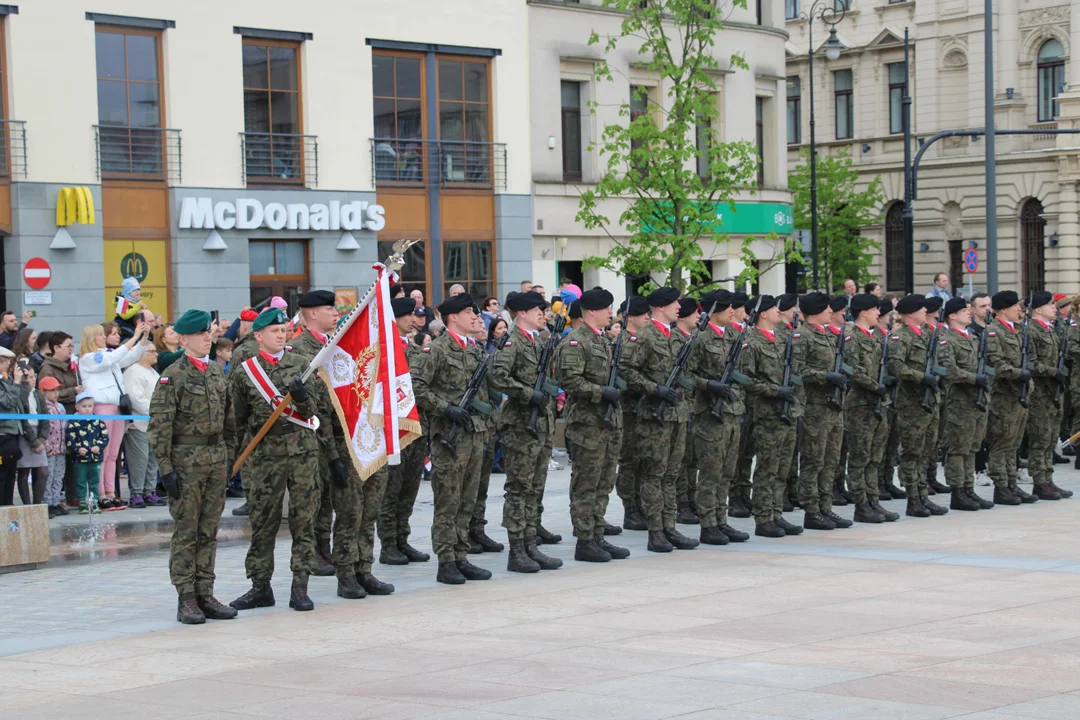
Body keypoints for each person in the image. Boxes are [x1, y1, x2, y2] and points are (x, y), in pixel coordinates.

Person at [229, 308, 335, 612]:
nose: (280, 334)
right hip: (265, 456)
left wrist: (301, 397)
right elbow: (237, 420)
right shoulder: (245, 371)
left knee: (304, 521)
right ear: (258, 336)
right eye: (273, 331)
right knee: (263, 522)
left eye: (283, 330)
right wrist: (231, 460)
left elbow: (312, 410)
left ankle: (300, 587)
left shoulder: (302, 365)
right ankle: (260, 586)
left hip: (302, 453)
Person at [149, 308, 238, 625]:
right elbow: (160, 426)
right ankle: (186, 596)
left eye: (207, 332)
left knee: (209, 531)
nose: (205, 338)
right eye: (199, 334)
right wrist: (165, 469)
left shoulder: (216, 372)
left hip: (214, 461)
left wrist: (229, 459)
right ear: (183, 339)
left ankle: (205, 592)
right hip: (186, 463)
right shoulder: (173, 375)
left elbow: (229, 421)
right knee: (187, 531)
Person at [413, 293, 496, 584]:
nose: (476, 316)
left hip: (473, 434)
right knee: (448, 500)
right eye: (469, 313)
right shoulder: (436, 349)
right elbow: (417, 387)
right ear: (453, 318)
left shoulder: (473, 350)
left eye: (476, 312)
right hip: (449, 438)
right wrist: (446, 408)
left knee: (467, 500)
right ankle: (446, 560)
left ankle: (461, 554)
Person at [489, 291, 567, 573]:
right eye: (537, 309)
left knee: (535, 488)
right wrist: (527, 393)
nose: (543, 314)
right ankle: (517, 550)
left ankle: (531, 543)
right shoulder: (512, 341)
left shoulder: (536, 342)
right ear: (521, 313)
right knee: (519, 489)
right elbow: (497, 376)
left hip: (540, 425)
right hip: (521, 426)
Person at [620, 286, 698, 553]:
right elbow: (626, 370)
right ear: (661, 307)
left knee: (671, 474)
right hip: (654, 416)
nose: (680, 307)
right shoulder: (643, 337)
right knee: (654, 474)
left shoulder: (676, 336)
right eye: (675, 303)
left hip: (676, 415)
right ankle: (656, 532)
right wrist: (655, 388)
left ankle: (669, 526)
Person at [554, 288, 626, 562]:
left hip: (608, 423)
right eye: (607, 308)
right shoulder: (576, 342)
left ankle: (597, 534)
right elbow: (570, 380)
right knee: (587, 483)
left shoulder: (603, 341)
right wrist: (600, 392)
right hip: (588, 424)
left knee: (604, 482)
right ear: (592, 311)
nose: (611, 312)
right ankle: (584, 540)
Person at [684, 289, 750, 546]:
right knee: (711, 472)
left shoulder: (734, 335)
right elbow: (687, 375)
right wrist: (710, 385)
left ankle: (721, 520)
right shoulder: (699, 338)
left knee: (727, 471)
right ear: (713, 311)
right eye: (726, 307)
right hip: (711, 414)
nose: (732, 311)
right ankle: (708, 524)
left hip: (733, 412)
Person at [737, 295, 804, 538]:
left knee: (782, 468)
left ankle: (776, 513)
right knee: (767, 467)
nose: (779, 312)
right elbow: (747, 379)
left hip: (788, 412)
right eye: (774, 309)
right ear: (763, 314)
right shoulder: (751, 342)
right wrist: (775, 391)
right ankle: (764, 518)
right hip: (767, 414)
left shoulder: (781, 340)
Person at [378, 296, 431, 567]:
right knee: (392, 488)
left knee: (410, 487)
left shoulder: (411, 348)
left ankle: (402, 538)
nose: (414, 320)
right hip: (392, 429)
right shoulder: (383, 351)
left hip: (415, 427)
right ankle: (388, 544)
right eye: (408, 315)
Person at [794, 292, 852, 530]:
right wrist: (825, 376)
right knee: (814, 460)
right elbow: (798, 371)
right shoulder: (802, 336)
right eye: (827, 308)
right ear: (815, 311)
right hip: (815, 407)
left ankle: (826, 506)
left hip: (834, 406)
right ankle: (811, 510)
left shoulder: (828, 334)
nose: (832, 312)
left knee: (831, 460)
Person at [78, 321, 150, 510]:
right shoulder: (89, 358)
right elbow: (113, 359)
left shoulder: (107, 355)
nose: (104, 337)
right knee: (101, 452)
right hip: (102, 407)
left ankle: (111, 492)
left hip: (117, 408)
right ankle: (100, 494)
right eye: (101, 334)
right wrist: (133, 337)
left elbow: (128, 357)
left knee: (112, 454)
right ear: (93, 338)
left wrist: (142, 340)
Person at [887, 294, 948, 516]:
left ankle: (923, 494)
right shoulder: (900, 337)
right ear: (911, 312)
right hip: (913, 402)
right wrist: (921, 377)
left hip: (930, 400)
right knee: (913, 451)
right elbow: (895, 367)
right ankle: (913, 498)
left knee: (927, 450)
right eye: (922, 308)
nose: (926, 311)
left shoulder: (928, 334)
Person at [842, 293, 899, 523]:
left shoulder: (876, 338)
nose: (879, 313)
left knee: (875, 456)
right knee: (860, 456)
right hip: (861, 405)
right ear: (863, 312)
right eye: (875, 310)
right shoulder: (852, 339)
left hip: (878, 404)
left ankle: (873, 500)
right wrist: (878, 387)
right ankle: (861, 504)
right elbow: (855, 372)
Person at [939, 297, 995, 511]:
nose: (968, 313)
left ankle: (969, 489)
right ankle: (957, 492)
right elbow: (950, 371)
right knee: (958, 449)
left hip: (977, 401)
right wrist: (974, 379)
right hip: (959, 403)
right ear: (952, 315)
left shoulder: (971, 337)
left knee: (973, 447)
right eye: (964, 310)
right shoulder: (947, 340)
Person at [1026, 291, 1070, 500]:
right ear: (1038, 309)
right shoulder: (1032, 331)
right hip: (1041, 394)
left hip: (1054, 392)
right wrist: (1054, 372)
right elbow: (1031, 363)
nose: (1055, 307)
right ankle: (1039, 482)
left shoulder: (1050, 330)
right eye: (1051, 305)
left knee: (1051, 439)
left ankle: (1048, 479)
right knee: (1040, 439)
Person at [616, 296, 651, 530]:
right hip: (628, 409)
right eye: (643, 313)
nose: (648, 317)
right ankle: (630, 508)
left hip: (644, 409)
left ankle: (640, 504)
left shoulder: (642, 339)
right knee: (629, 460)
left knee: (642, 459)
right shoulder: (622, 341)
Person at [672, 298, 702, 525]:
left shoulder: (693, 340)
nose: (698, 317)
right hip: (679, 406)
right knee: (680, 460)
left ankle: (692, 500)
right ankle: (681, 503)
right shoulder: (675, 341)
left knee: (692, 458)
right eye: (694, 313)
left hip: (695, 406)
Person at [123, 343, 164, 508]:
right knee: (139, 460)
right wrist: (156, 411)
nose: (156, 354)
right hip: (139, 422)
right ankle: (137, 493)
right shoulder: (133, 371)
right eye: (152, 351)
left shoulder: (153, 372)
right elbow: (136, 398)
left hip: (153, 423)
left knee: (152, 459)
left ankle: (149, 490)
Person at [66, 392, 108, 513]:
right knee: (80, 482)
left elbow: (105, 436)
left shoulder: (98, 421)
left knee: (94, 482)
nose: (87, 409)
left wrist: (98, 447)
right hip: (80, 459)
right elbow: (70, 439)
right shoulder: (73, 422)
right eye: (84, 406)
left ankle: (94, 502)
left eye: (90, 406)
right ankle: (82, 503)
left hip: (95, 458)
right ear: (77, 407)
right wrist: (78, 449)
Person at [16, 361, 48, 508]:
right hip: (25, 436)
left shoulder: (38, 395)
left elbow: (45, 418)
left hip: (38, 435)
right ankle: (27, 505)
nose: (33, 379)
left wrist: (41, 439)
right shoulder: (21, 395)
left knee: (42, 471)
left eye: (34, 376)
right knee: (24, 471)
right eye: (29, 377)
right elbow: (23, 420)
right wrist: (34, 441)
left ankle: (37, 505)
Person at [39, 376, 68, 518]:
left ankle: (56, 502)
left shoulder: (60, 407)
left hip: (61, 447)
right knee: (48, 477)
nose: (56, 393)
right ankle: (47, 503)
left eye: (57, 390)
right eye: (52, 390)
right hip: (49, 448)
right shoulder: (43, 407)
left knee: (59, 476)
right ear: (43, 391)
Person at [113, 277, 148, 342]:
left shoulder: (137, 301)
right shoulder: (121, 301)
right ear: (128, 292)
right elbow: (124, 316)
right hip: (124, 327)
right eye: (134, 290)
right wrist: (138, 307)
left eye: (138, 289)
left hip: (135, 326)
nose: (137, 292)